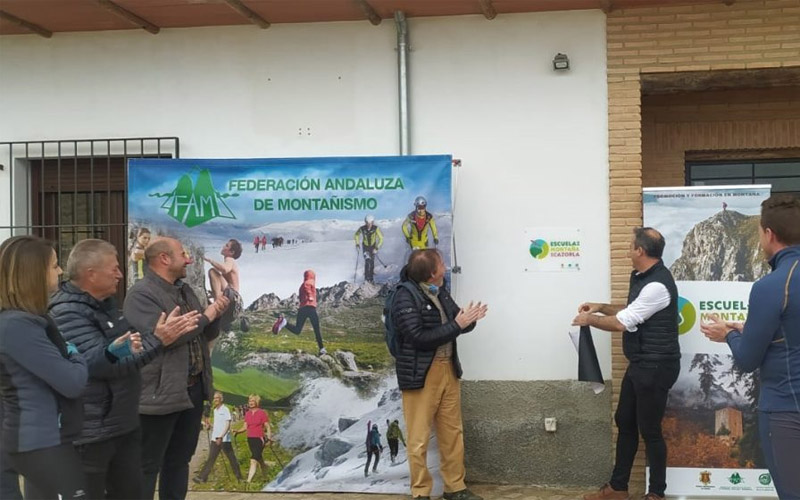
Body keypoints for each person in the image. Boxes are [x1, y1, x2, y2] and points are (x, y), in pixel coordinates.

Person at [49, 239, 200, 499]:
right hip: (92, 431)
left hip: (120, 425)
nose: (120, 274)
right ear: (90, 274)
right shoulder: (67, 312)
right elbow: (100, 363)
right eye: (114, 268)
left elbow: (131, 352)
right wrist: (159, 339)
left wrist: (147, 343)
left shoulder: (106, 307)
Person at [700, 194, 800, 498]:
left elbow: (746, 359)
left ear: (769, 234)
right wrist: (750, 328)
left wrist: (727, 335)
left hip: (786, 410)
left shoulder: (772, 286)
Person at [572, 227, 680, 500]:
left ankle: (656, 493)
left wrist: (589, 320)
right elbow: (630, 309)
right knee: (625, 421)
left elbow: (622, 322)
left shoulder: (657, 285)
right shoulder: (645, 278)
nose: (627, 251)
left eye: (630, 246)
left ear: (640, 251)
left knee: (650, 431)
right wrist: (601, 306)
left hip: (656, 367)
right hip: (641, 363)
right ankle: (618, 488)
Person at [123, 237, 230, 500]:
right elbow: (172, 336)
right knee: (148, 466)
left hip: (191, 393)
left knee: (179, 462)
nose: (189, 259)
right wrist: (208, 315)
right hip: (159, 396)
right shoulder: (141, 295)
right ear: (164, 259)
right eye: (183, 254)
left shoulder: (185, 291)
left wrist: (218, 313)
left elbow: (202, 334)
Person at [391, 249, 488, 500]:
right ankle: (421, 491)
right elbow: (419, 338)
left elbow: (457, 322)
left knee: (452, 432)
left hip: (448, 369)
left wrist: (469, 320)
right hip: (421, 374)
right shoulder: (405, 297)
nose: (445, 266)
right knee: (419, 437)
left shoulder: (439, 290)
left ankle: (455, 488)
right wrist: (459, 324)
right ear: (432, 272)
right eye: (442, 263)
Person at [0, 235, 88, 499]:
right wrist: (76, 355)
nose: (60, 271)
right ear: (33, 273)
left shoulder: (32, 320)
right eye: (54, 265)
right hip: (37, 442)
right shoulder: (16, 326)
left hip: (45, 439)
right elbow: (72, 382)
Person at [272, 269, 327, 355]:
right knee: (316, 329)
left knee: (297, 330)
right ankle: (322, 349)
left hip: (302, 308)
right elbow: (307, 286)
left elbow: (301, 296)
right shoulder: (309, 282)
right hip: (310, 307)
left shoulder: (301, 285)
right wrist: (310, 297)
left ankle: (285, 322)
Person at [195, 392, 242, 483]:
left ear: (221, 399)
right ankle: (202, 477)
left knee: (231, 458)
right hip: (214, 438)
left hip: (224, 439)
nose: (215, 399)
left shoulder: (225, 410)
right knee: (211, 458)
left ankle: (239, 477)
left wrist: (221, 436)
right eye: (214, 398)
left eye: (217, 398)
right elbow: (217, 425)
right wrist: (210, 426)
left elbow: (228, 424)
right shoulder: (215, 410)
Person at [203, 238, 243, 332]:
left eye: (227, 246)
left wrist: (211, 261)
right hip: (233, 297)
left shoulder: (230, 259)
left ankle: (216, 303)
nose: (224, 247)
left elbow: (225, 269)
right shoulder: (229, 260)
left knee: (213, 272)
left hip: (232, 295)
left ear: (231, 252)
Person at [233, 394, 272, 483]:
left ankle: (248, 481)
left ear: (257, 402)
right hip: (250, 439)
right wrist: (238, 431)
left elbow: (267, 426)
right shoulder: (247, 414)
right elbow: (245, 427)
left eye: (253, 401)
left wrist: (269, 438)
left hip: (259, 439)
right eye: (249, 401)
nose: (250, 403)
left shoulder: (262, 413)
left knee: (253, 460)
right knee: (259, 459)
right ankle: (265, 476)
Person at [354, 214, 384, 283]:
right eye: (367, 223)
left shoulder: (376, 228)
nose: (368, 224)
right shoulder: (362, 228)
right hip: (365, 247)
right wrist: (357, 244)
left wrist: (376, 248)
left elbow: (381, 238)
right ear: (365, 222)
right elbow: (356, 235)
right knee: (367, 261)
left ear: (372, 222)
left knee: (372, 262)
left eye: (370, 223)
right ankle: (367, 279)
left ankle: (371, 278)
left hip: (373, 247)